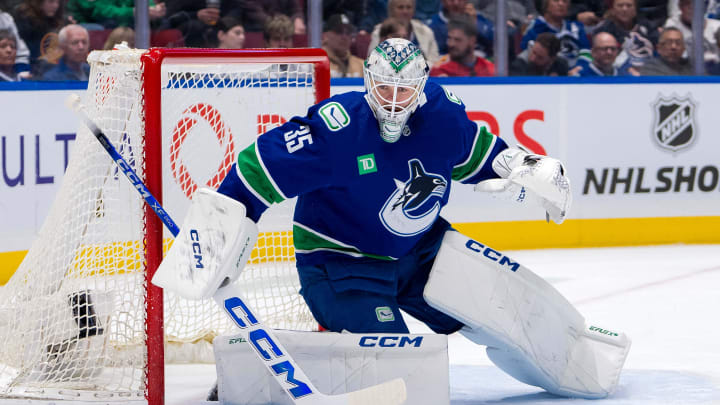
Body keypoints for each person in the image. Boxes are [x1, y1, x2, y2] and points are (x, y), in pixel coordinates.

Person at [156, 37, 628, 401]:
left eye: (406, 89)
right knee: (394, 376)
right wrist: (217, 234)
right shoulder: (336, 129)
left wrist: (524, 168)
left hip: (420, 251)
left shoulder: (442, 117)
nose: (396, 100)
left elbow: (479, 156)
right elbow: (257, 169)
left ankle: (578, 360)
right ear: (366, 80)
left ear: (423, 86)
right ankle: (253, 369)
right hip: (341, 263)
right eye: (385, 87)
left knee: (509, 303)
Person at [593, 0, 657, 76]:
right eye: (620, 5)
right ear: (613, 9)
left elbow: (658, 52)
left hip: (649, 72)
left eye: (629, 5)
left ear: (635, 9)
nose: (624, 9)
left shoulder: (648, 27)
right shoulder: (603, 29)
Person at [521, 0, 592, 68]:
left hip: (576, 76)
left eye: (564, 1)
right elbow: (529, 56)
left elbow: (586, 52)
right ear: (546, 4)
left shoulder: (576, 27)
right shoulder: (535, 26)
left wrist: (579, 70)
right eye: (556, 0)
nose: (561, 4)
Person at [368, 0, 440, 66]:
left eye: (409, 7)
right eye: (400, 7)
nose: (405, 11)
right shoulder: (380, 31)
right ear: (391, 10)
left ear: (414, 10)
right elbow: (371, 62)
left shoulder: (426, 31)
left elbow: (435, 62)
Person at [430, 17, 494, 76]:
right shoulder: (440, 71)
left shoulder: (489, 69)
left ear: (472, 41)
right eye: (449, 38)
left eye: (457, 40)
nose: (451, 44)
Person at [12, 0, 67, 66]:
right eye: (51, 1)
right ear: (39, 2)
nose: (56, 6)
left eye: (58, 2)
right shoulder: (24, 18)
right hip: (31, 64)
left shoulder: (58, 18)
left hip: (54, 64)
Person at [429, 0, 494, 57]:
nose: (456, 3)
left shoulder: (479, 19)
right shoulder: (433, 26)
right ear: (443, 1)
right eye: (451, 0)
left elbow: (496, 44)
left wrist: (475, 24)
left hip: (482, 65)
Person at [664, 0, 720, 64]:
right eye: (688, 4)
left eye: (697, 6)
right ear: (680, 6)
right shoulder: (672, 25)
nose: (692, 9)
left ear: (705, 8)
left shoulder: (717, 26)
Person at [66, 0, 166, 29]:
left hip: (126, 23)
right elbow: (102, 11)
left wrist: (154, 9)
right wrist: (133, 11)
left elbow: (143, 3)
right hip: (93, 24)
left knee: (165, 24)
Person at [0, 7, 29, 73]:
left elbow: (20, 51)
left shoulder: (6, 19)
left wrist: (21, 71)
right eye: (3, 47)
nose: (9, 50)